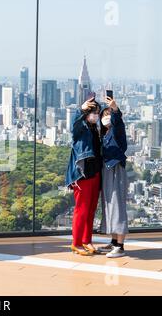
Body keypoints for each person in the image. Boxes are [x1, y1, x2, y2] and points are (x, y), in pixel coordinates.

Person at [65, 95, 102, 256]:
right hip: (82, 175)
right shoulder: (81, 129)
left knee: (91, 209)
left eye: (97, 113)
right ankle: (76, 243)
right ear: (87, 113)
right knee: (81, 209)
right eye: (93, 112)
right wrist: (81, 109)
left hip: (95, 173)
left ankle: (87, 240)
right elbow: (74, 125)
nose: (96, 115)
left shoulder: (96, 129)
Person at [98, 96, 129, 258]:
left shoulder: (117, 130)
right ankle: (114, 242)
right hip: (107, 170)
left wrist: (115, 109)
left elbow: (118, 123)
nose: (105, 118)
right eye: (103, 115)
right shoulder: (106, 134)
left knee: (117, 207)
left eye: (108, 114)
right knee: (109, 205)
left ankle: (121, 246)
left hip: (116, 169)